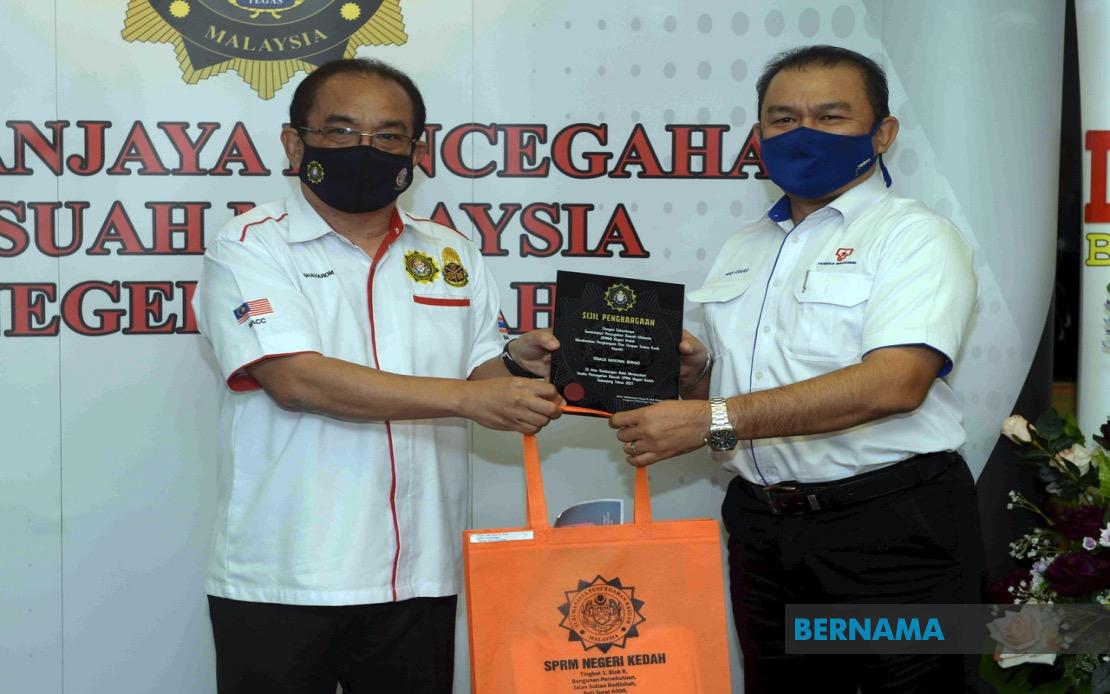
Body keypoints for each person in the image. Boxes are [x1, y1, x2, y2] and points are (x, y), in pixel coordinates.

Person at [609, 45, 984, 692]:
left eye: (830, 117)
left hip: (890, 534)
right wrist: (697, 379)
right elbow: (743, 397)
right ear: (759, 135)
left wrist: (713, 416)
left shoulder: (915, 236)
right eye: (783, 119)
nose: (803, 133)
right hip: (763, 533)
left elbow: (896, 382)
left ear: (883, 133)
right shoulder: (745, 246)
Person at [192, 58, 563, 694]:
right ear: (294, 144)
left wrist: (517, 365)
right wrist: (468, 399)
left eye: (389, 136)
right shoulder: (250, 244)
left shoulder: (449, 251)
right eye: (340, 131)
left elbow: (479, 370)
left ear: (416, 151)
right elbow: (296, 380)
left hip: (421, 571)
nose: (365, 149)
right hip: (288, 574)